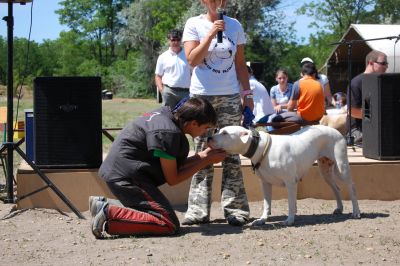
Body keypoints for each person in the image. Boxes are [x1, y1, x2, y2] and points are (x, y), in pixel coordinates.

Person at [89, 97, 227, 238]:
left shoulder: (167, 116)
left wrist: (204, 156)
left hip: (122, 172)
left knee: (158, 215)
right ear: (193, 123)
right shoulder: (168, 134)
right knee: (168, 224)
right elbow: (173, 178)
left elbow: (174, 165)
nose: (205, 133)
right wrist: (206, 161)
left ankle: (103, 204)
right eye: (205, 128)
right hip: (128, 177)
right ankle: (108, 211)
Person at [181, 0, 253, 226]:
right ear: (204, 1)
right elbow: (192, 59)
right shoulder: (194, 24)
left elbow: (240, 64)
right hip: (202, 98)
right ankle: (197, 211)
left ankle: (236, 210)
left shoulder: (235, 26)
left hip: (230, 95)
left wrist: (247, 94)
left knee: (232, 153)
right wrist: (211, 34)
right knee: (203, 153)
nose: (217, 2)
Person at [347, 50, 388, 144]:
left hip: (376, 127)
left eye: (387, 63)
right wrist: (376, 115)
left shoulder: (382, 82)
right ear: (370, 63)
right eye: (383, 63)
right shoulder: (356, 82)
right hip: (358, 130)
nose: (386, 66)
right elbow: (352, 111)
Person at [155, 29, 191, 109]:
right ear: (168, 41)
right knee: (168, 116)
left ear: (181, 40)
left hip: (186, 93)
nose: (175, 42)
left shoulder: (187, 54)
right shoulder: (163, 57)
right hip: (169, 92)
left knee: (185, 117)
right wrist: (162, 90)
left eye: (178, 40)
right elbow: (158, 76)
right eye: (173, 40)